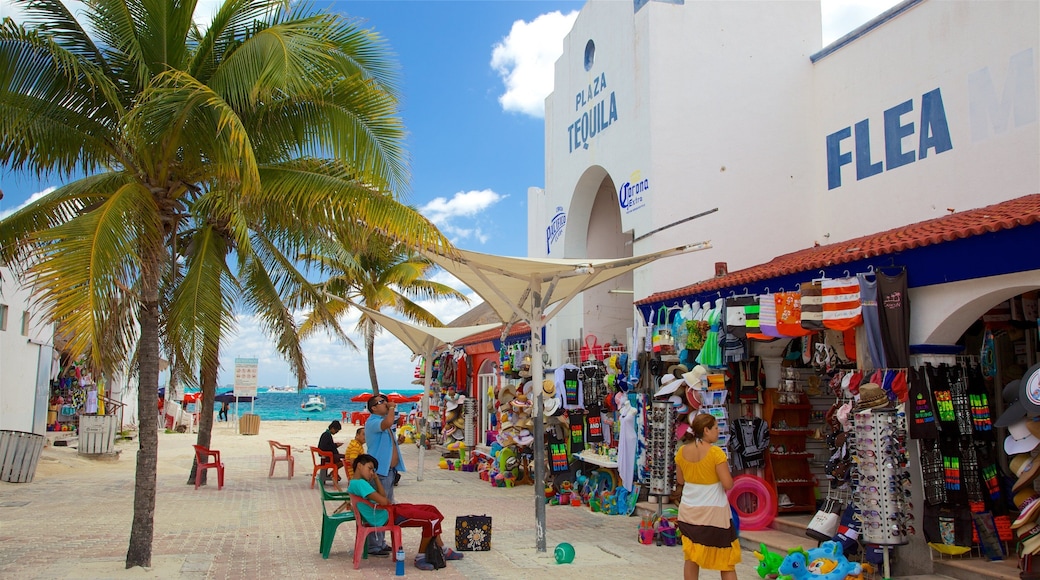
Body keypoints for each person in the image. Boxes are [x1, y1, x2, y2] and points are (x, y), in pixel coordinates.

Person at [348, 454, 464, 571]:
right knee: (432, 519)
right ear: (359, 465)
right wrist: (384, 500)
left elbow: (383, 497)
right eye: (370, 468)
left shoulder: (356, 483)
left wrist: (376, 479)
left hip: (390, 511)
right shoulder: (360, 483)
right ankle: (421, 557)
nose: (372, 473)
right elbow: (384, 500)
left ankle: (442, 549)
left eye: (373, 470)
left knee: (431, 509)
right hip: (388, 516)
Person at [674, 413, 741, 580]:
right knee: (726, 559)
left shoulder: (682, 452)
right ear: (706, 430)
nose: (719, 431)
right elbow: (727, 484)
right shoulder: (716, 453)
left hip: (688, 512)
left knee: (691, 557)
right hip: (713, 515)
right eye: (716, 428)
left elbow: (680, 480)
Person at [364, 394, 407, 555]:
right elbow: (389, 421)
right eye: (381, 402)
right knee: (377, 507)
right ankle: (374, 545)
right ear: (373, 408)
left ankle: (380, 542)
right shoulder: (373, 422)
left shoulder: (383, 423)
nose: (385, 403)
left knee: (386, 507)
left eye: (385, 401)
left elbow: (387, 441)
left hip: (388, 471)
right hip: (379, 473)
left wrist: (399, 442)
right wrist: (392, 408)